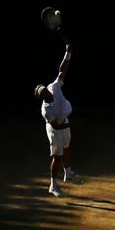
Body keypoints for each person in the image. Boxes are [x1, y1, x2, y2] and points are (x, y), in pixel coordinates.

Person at [36, 45, 78, 196]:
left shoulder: (54, 86)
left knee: (66, 148)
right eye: (42, 94)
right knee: (57, 156)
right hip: (55, 130)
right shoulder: (45, 110)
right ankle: (53, 185)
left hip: (64, 122)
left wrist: (68, 52)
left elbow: (63, 70)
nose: (46, 93)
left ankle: (68, 174)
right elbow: (55, 125)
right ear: (41, 98)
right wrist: (68, 124)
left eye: (44, 90)